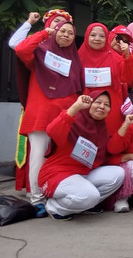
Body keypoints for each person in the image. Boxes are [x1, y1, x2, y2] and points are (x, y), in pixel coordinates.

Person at [15, 20, 83, 215]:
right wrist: (44, 33)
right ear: (55, 32)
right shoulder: (40, 52)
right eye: (62, 31)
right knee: (38, 157)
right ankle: (37, 198)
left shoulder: (74, 59)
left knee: (60, 159)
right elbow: (21, 49)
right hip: (41, 116)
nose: (66, 35)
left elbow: (76, 89)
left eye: (71, 33)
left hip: (64, 118)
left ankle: (53, 193)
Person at [40, 92, 125, 220]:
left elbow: (102, 159)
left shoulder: (101, 130)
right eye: (98, 102)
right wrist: (76, 107)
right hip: (57, 174)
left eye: (106, 105)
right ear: (89, 104)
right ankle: (55, 207)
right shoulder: (74, 121)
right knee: (91, 196)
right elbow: (52, 131)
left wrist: (127, 157)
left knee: (118, 174)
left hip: (83, 174)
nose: (102, 106)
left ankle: (85, 205)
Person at [79, 23, 133, 134]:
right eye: (93, 35)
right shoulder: (78, 57)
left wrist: (127, 55)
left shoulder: (116, 58)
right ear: (87, 36)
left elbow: (128, 78)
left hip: (110, 107)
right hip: (84, 106)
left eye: (101, 36)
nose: (97, 39)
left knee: (108, 139)